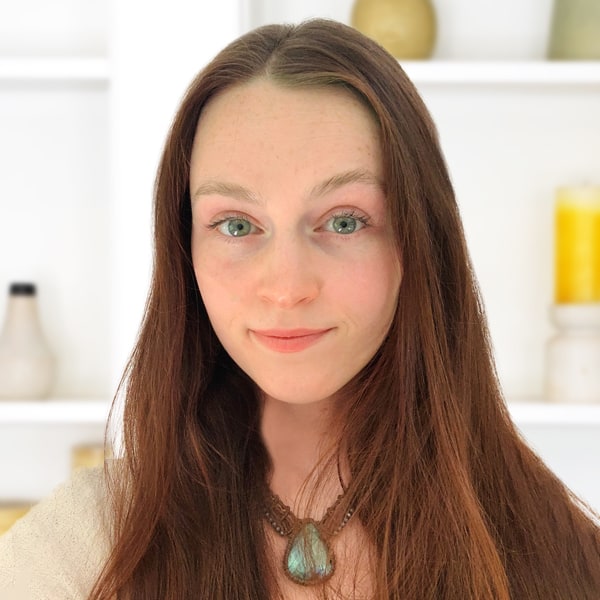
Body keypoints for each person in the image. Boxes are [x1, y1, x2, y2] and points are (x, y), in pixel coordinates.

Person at [1, 18, 599, 600]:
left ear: (420, 241)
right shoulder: (81, 552)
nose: (286, 288)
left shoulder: (563, 557)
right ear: (185, 251)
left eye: (345, 222)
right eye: (237, 225)